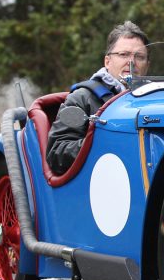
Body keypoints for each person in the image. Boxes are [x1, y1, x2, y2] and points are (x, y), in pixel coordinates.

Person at [46, 20, 150, 174]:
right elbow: (58, 152)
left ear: (147, 64)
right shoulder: (82, 98)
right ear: (107, 61)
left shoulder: (156, 97)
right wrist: (102, 143)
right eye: (123, 55)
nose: (131, 62)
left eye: (139, 57)